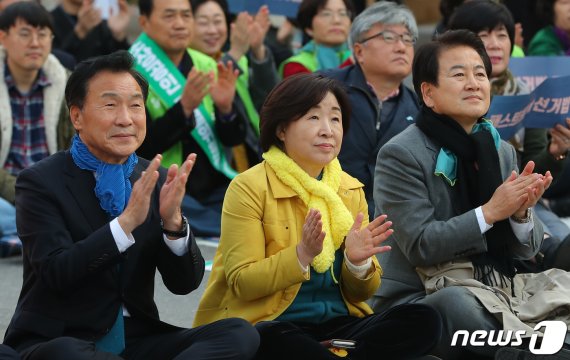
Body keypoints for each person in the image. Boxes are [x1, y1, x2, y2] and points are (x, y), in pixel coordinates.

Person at [2, 50, 260, 360]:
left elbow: (184, 284)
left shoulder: (155, 176)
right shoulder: (40, 181)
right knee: (66, 354)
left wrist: (173, 224)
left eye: (136, 105)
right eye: (110, 105)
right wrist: (124, 225)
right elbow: (57, 273)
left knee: (239, 332)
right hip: (62, 337)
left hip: (137, 338)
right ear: (77, 117)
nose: (126, 118)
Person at [193, 73, 442, 359]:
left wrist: (356, 263)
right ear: (281, 129)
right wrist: (300, 255)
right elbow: (242, 282)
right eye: (313, 118)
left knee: (423, 319)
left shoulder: (349, 188)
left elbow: (361, 294)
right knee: (272, 340)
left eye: (335, 119)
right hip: (271, 323)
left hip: (338, 326)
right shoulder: (249, 186)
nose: (328, 130)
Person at [373, 30, 570, 359]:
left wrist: (521, 214)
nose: (474, 82)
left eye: (480, 73)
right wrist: (491, 212)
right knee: (458, 303)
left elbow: (527, 250)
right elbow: (421, 246)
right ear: (429, 93)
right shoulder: (401, 154)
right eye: (459, 74)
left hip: (498, 287)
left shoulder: (501, 151)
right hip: (423, 295)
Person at [448, 0, 570, 268]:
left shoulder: (525, 90)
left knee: (559, 244)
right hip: (472, 207)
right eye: (484, 35)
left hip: (526, 202)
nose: (495, 44)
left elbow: (533, 165)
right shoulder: (451, 97)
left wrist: (555, 154)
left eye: (502, 35)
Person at [134, 0, 250, 237]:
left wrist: (226, 109)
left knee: (253, 205)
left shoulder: (206, 64)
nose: (180, 24)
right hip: (163, 183)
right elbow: (139, 148)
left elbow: (234, 138)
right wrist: (184, 109)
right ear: (144, 22)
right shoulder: (129, 69)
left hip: (213, 185)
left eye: (186, 16)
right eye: (169, 16)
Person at [323, 1, 419, 218]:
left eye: (407, 39)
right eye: (389, 37)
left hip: (389, 225)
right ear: (359, 51)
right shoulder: (324, 88)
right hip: (324, 213)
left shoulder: (419, 108)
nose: (401, 47)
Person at [0, 2, 74, 257]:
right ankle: (41, 234)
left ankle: (23, 237)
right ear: (3, 37)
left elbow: (79, 149)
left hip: (52, 190)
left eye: (43, 34)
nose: (35, 43)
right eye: (25, 34)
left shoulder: (69, 84)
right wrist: (23, 192)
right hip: (5, 195)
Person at [189, 0, 277, 172]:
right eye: (203, 23)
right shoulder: (184, 64)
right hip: (213, 169)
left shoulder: (239, 60)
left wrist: (258, 49)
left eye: (217, 21)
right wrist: (235, 53)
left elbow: (270, 99)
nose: (212, 30)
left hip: (253, 154)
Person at [279, 0, 354, 78]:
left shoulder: (360, 55)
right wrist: (351, 63)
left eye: (343, 13)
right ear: (309, 28)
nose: (337, 20)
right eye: (326, 14)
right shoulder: (295, 65)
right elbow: (321, 89)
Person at [51, 0, 131, 62]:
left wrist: (118, 36)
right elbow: (52, 62)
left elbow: (122, 62)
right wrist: (79, 33)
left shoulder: (102, 22)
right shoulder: (49, 21)